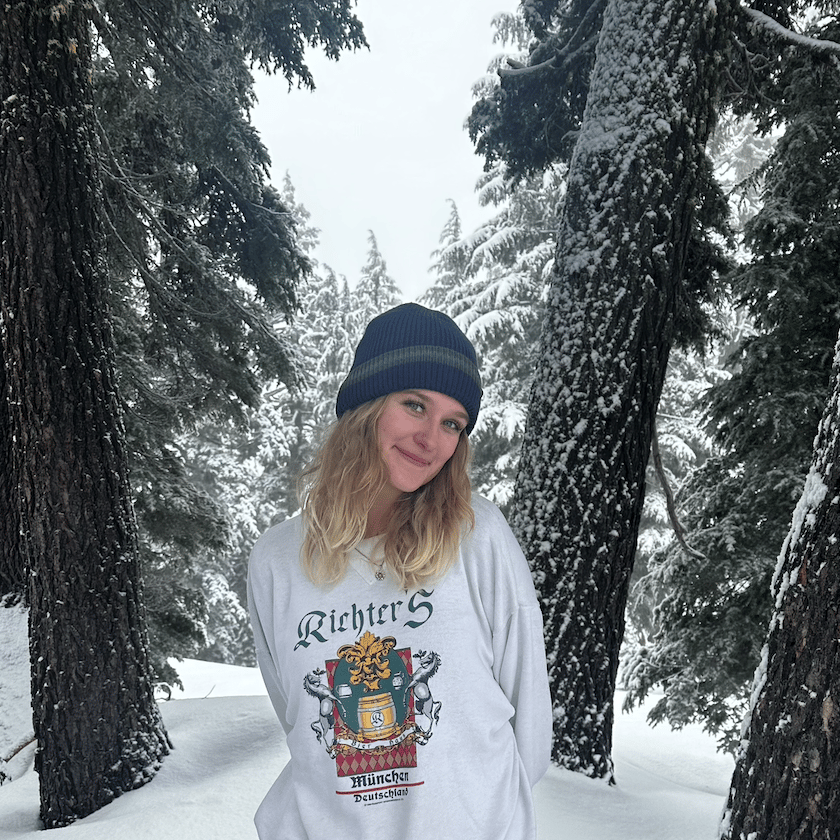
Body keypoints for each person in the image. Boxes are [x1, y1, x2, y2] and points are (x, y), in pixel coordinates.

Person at [248, 302, 552, 839]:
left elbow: (528, 726)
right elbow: (301, 723)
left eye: (452, 423)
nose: (431, 439)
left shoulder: (475, 537)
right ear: (367, 405)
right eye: (415, 405)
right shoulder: (276, 562)